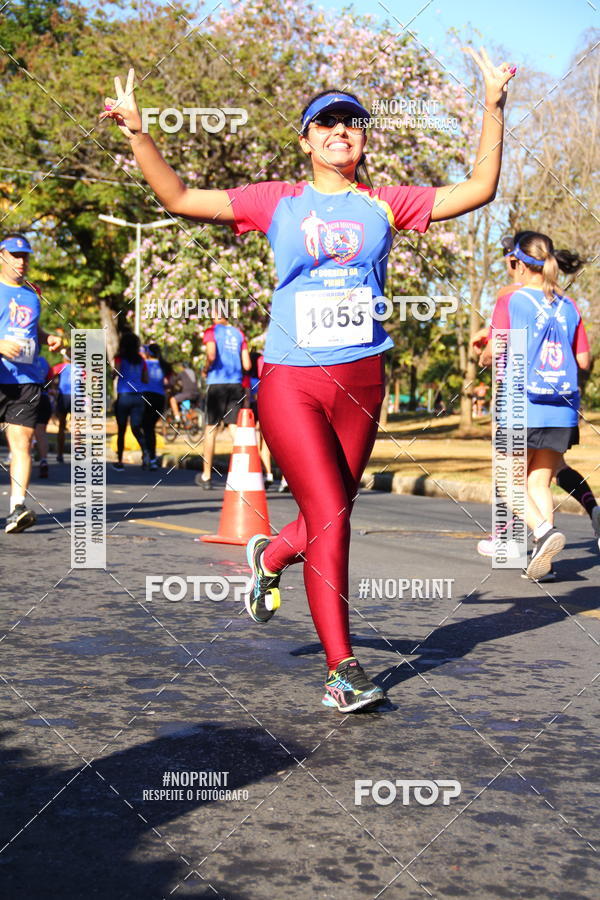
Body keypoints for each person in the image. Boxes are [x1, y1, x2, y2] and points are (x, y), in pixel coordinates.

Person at [102, 52, 515, 712]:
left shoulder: (386, 202)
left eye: (352, 122)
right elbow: (178, 199)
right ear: (306, 140)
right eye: (326, 123)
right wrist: (138, 133)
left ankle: (269, 558)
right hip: (292, 382)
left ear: (363, 138)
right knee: (329, 518)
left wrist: (493, 106)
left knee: (333, 513)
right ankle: (341, 669)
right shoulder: (278, 201)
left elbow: (479, 189)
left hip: (363, 381)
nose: (340, 130)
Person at [476, 233, 600, 566]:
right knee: (539, 482)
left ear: (518, 263)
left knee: (508, 481)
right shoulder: (569, 305)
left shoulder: (511, 300)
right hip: (562, 408)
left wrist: (483, 356)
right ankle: (546, 563)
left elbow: (496, 349)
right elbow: (584, 360)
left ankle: (544, 533)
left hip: (522, 405)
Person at [0, 234, 62, 532]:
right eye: (15, 255)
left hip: (26, 379)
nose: (22, 261)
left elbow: (31, 329)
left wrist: (47, 337)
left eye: (25, 256)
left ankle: (17, 508)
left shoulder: (31, 295)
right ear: (2, 256)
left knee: (22, 442)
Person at [195, 314, 250, 489]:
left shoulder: (211, 331)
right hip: (236, 384)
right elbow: (247, 365)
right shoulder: (239, 333)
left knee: (211, 428)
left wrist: (205, 369)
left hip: (217, 383)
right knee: (234, 429)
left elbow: (211, 355)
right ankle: (243, 474)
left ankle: (206, 476)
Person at [112, 331, 149, 471]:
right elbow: (146, 379)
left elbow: (116, 373)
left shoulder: (119, 358)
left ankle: (120, 461)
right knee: (136, 428)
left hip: (124, 396)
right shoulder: (141, 360)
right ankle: (146, 453)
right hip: (139, 397)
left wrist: (111, 374)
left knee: (121, 430)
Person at [141, 342, 172, 469]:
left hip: (145, 396)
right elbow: (168, 383)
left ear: (148, 353)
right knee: (150, 428)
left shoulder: (143, 364)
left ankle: (147, 455)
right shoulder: (165, 366)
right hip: (159, 398)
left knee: (144, 427)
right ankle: (152, 458)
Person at [48, 348, 72, 463]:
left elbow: (50, 375)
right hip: (76, 397)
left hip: (64, 396)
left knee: (61, 427)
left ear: (65, 357)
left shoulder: (60, 367)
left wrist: (53, 388)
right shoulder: (81, 368)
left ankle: (60, 455)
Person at [33, 353, 52, 478]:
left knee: (23, 432)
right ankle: (43, 460)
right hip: (44, 398)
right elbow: (50, 379)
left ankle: (19, 459)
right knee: (41, 432)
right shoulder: (44, 362)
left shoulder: (21, 360)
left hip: (28, 397)